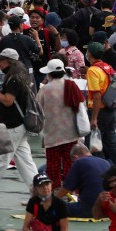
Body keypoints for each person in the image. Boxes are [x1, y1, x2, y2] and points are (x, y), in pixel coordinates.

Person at [0, 48, 37, 190]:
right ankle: (39, 192)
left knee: (0, 161)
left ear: (9, 62)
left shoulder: (13, 79)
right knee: (26, 163)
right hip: (19, 125)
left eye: (1, 60)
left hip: (13, 126)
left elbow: (7, 101)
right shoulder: (20, 76)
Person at [36, 58, 82, 188]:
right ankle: (70, 190)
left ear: (49, 73)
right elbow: (80, 105)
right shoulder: (71, 85)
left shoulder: (45, 89)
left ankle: (54, 189)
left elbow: (38, 108)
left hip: (52, 134)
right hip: (71, 132)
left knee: (52, 166)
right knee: (69, 163)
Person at [85, 42, 116, 169]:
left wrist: (94, 118)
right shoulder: (106, 67)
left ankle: (100, 173)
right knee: (112, 145)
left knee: (94, 145)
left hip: (99, 112)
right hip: (111, 110)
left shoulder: (93, 70)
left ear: (89, 53)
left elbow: (97, 95)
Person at [3, 173, 70, 231]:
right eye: (41, 186)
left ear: (51, 185)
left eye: (47, 184)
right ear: (36, 189)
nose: (45, 188)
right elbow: (26, 227)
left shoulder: (60, 204)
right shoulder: (33, 202)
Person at [55, 144, 111, 218]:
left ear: (75, 157)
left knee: (57, 207)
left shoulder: (79, 162)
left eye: (72, 161)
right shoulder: (106, 162)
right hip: (107, 208)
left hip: (89, 208)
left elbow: (66, 189)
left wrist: (53, 201)